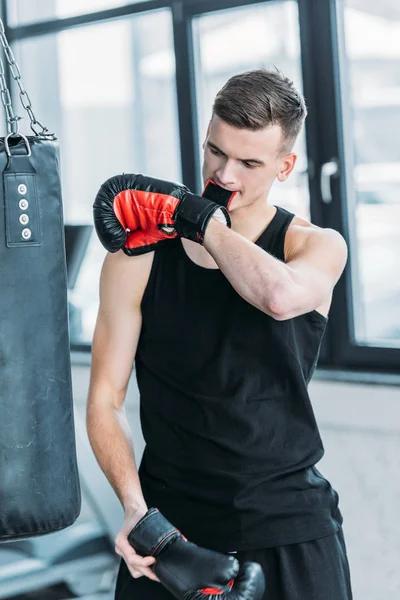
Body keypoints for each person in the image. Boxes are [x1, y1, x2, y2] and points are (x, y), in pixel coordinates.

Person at [87, 68, 352, 599]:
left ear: (286, 165)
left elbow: (277, 298)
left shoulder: (315, 245)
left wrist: (200, 219)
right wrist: (139, 515)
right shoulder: (139, 255)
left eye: (249, 163)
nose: (225, 173)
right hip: (171, 534)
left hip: (289, 525)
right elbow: (105, 398)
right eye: (215, 151)